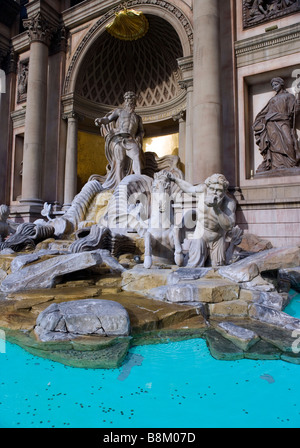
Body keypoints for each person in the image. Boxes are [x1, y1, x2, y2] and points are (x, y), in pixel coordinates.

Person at [168, 173, 236, 267]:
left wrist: (216, 209)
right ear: (208, 187)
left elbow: (229, 225)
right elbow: (189, 188)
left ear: (224, 191)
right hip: (201, 234)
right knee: (193, 266)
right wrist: (175, 179)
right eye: (212, 189)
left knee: (217, 268)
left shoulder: (229, 203)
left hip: (217, 238)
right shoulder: (203, 190)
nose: (214, 192)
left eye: (219, 190)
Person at [95, 91, 145, 189]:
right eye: (128, 100)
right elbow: (108, 119)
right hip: (118, 138)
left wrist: (139, 136)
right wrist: (101, 120)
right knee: (120, 162)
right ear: (125, 101)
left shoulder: (138, 118)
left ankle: (139, 180)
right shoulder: (119, 111)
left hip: (131, 140)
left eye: (132, 100)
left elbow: (141, 131)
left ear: (134, 102)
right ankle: (119, 185)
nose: (129, 102)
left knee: (136, 156)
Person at [253, 77, 300, 172]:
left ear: (281, 84)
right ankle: (277, 165)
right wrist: (259, 123)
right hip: (271, 125)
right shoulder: (272, 99)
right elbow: (264, 113)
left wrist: (298, 101)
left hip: (284, 122)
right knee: (274, 146)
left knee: (289, 142)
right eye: (273, 86)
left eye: (276, 84)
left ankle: (291, 163)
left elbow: (294, 111)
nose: (274, 87)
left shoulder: (289, 96)